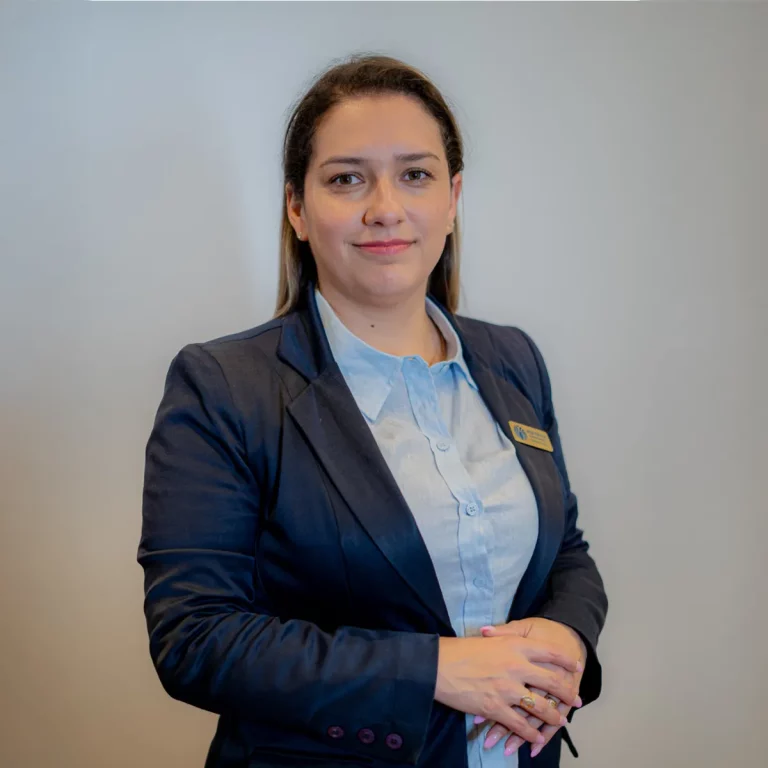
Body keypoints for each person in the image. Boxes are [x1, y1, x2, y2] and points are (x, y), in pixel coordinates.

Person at [138, 53, 608, 768]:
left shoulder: (513, 359)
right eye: (347, 178)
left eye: (415, 175)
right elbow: (196, 638)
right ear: (297, 208)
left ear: (452, 197)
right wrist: (435, 670)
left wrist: (568, 637)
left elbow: (566, 551)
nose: (385, 207)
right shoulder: (224, 387)